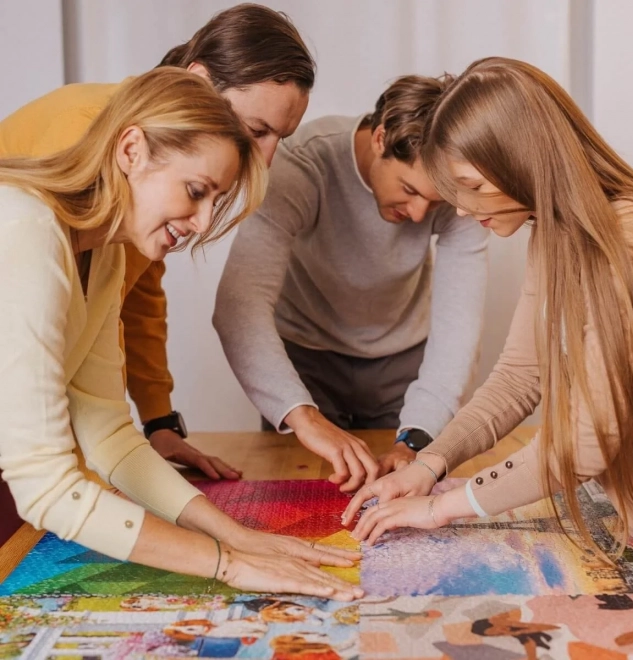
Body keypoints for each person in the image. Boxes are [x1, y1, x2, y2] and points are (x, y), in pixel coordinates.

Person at [0, 67, 363, 600]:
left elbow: (110, 437)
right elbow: (46, 484)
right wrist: (228, 565)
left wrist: (236, 536)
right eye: (196, 191)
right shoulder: (26, 229)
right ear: (131, 150)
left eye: (215, 201)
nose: (201, 222)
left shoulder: (102, 254)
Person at [344, 57, 633, 555]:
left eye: (472, 185)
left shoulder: (632, 238)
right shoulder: (554, 234)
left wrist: (442, 507)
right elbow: (518, 376)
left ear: (525, 157)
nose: (464, 209)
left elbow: (589, 439)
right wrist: (429, 465)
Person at [0, 2, 313, 480]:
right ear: (201, 80)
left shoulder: (155, 184)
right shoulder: (88, 133)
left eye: (280, 139)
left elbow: (136, 292)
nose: (266, 161)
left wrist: (158, 420)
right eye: (257, 130)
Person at [214, 75, 489, 492]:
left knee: (405, 491)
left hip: (402, 367)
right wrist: (301, 414)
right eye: (409, 189)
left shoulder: (459, 187)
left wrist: (419, 435)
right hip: (305, 363)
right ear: (380, 138)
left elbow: (459, 328)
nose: (419, 215)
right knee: (300, 499)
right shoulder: (301, 163)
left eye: (433, 203)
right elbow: (240, 307)